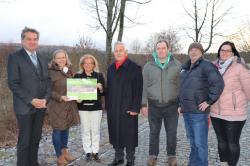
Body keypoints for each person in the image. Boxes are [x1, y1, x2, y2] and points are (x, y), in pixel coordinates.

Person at [7, 27, 51, 166]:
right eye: (29, 39)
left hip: (41, 107)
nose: (32, 42)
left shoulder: (43, 58)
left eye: (35, 39)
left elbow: (48, 81)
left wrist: (46, 99)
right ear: (22, 40)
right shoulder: (15, 57)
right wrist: (31, 100)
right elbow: (13, 83)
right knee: (24, 141)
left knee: (36, 139)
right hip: (24, 107)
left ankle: (33, 163)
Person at [178, 42, 224, 166]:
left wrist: (209, 101)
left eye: (196, 49)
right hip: (187, 112)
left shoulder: (207, 66)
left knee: (200, 144)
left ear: (201, 52)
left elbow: (218, 84)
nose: (193, 51)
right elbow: (181, 88)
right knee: (193, 143)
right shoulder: (185, 68)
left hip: (199, 113)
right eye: (191, 49)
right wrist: (179, 105)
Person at [141, 40, 181, 166]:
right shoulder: (148, 66)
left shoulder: (177, 65)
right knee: (154, 132)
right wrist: (143, 104)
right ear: (155, 50)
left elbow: (181, 87)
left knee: (172, 132)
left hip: (172, 105)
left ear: (168, 49)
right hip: (154, 105)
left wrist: (181, 105)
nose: (161, 50)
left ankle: (171, 156)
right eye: (159, 48)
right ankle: (153, 155)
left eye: (164, 48)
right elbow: (143, 87)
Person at [210, 41, 250, 166]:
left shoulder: (240, 67)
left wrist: (239, 103)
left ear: (233, 53)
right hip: (216, 112)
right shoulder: (213, 66)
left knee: (232, 144)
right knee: (221, 142)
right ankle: (223, 164)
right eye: (222, 50)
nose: (224, 52)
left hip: (235, 113)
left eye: (227, 50)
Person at [106, 42, 143, 166]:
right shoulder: (110, 69)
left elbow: (139, 89)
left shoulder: (134, 68)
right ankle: (118, 158)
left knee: (129, 135)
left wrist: (135, 107)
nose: (118, 52)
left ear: (126, 52)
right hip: (114, 108)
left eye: (121, 50)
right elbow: (109, 89)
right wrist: (108, 106)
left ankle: (131, 159)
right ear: (114, 53)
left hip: (128, 108)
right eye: (116, 50)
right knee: (116, 132)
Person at [47, 49, 79, 165]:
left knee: (66, 128)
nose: (61, 60)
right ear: (54, 59)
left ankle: (65, 152)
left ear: (66, 58)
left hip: (69, 105)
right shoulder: (50, 71)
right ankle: (59, 156)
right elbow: (47, 90)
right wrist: (60, 97)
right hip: (57, 105)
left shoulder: (70, 70)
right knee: (57, 130)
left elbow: (75, 86)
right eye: (58, 58)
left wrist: (79, 95)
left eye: (63, 57)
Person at [74, 54, 105, 162]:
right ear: (82, 64)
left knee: (95, 130)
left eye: (90, 63)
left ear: (94, 64)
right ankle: (87, 152)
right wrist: (77, 98)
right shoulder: (77, 76)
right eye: (85, 63)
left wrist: (100, 88)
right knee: (85, 130)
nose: (88, 65)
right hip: (83, 108)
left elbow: (104, 92)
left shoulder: (99, 75)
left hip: (96, 108)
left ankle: (95, 152)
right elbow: (75, 93)